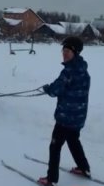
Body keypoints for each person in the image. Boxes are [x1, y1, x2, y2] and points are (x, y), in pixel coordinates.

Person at [37, 36, 91, 186]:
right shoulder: (83, 70)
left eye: (68, 51)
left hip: (66, 118)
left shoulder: (68, 72)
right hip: (78, 117)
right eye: (63, 50)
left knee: (55, 146)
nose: (64, 53)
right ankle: (83, 168)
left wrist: (48, 89)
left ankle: (51, 179)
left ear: (75, 53)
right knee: (73, 141)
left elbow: (56, 90)